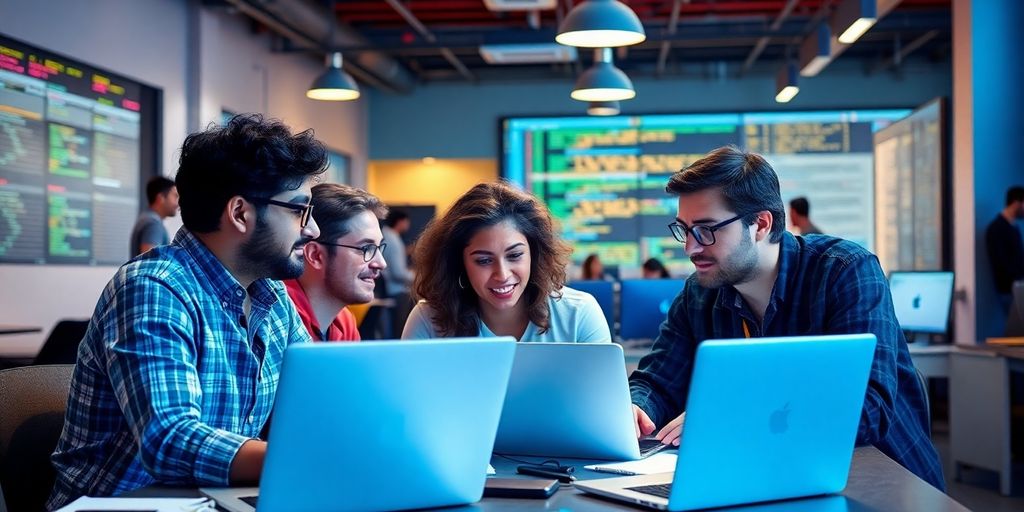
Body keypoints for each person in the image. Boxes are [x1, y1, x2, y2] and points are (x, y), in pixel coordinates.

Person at [48, 114, 326, 508]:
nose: (312, 230)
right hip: (126, 504)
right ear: (240, 213)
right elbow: (170, 439)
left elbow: (314, 399)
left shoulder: (271, 295)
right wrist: (307, 457)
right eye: (300, 211)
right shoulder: (154, 288)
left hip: (214, 501)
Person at [628, 146, 944, 490]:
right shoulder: (700, 293)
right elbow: (656, 382)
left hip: (882, 482)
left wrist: (732, 417)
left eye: (706, 230)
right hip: (771, 477)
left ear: (760, 224)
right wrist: (634, 408)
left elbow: (868, 410)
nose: (690, 247)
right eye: (684, 230)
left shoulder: (845, 271)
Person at [402, 181, 611, 342]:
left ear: (534, 254)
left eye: (514, 256)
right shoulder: (428, 320)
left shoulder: (578, 315)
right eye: (483, 260)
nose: (502, 275)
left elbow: (605, 398)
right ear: (459, 263)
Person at [283, 183, 388, 341]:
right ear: (315, 255)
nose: (381, 263)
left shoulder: (344, 321)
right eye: (366, 248)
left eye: (378, 248)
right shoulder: (276, 316)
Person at [985, 185, 1024, 310]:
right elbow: (1002, 264)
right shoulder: (996, 228)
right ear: (1017, 203)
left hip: (1018, 288)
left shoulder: (1014, 227)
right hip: (1010, 291)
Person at [381, 209, 415, 337]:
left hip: (390, 290)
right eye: (407, 221)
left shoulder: (388, 236)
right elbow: (398, 273)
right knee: (399, 331)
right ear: (401, 222)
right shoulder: (393, 240)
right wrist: (418, 277)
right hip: (397, 291)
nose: (408, 225)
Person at [130, 176, 179, 257]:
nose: (178, 203)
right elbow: (149, 262)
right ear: (161, 198)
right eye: (175, 196)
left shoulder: (147, 218)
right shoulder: (153, 224)